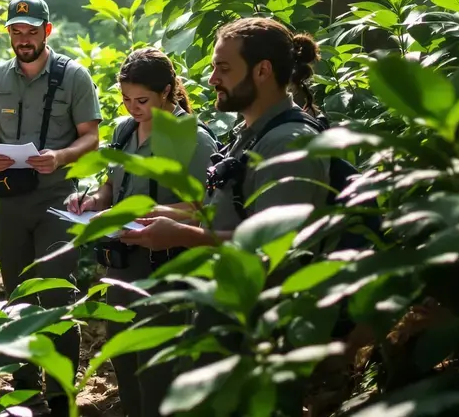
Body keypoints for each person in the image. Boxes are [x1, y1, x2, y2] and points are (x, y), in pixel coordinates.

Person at [64, 48, 218, 417]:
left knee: (157, 368)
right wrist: (93, 201)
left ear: (166, 91)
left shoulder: (193, 139)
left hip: (166, 268)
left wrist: (147, 213)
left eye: (142, 100)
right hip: (121, 266)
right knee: (125, 359)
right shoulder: (125, 129)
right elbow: (112, 185)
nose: (133, 108)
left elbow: (204, 209)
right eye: (126, 99)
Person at [0, 0, 102, 415]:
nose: (23, 39)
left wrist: (61, 156)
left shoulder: (74, 76)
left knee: (58, 293)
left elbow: (91, 137)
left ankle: (62, 393)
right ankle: (25, 389)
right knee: (18, 294)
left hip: (57, 199)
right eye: (16, 31)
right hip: (9, 200)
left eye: (31, 31)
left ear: (47, 31)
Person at [118, 16, 329, 250]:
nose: (212, 79)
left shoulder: (288, 144)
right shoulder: (252, 135)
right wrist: (151, 213)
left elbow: (277, 245)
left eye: (224, 69)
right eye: (213, 68)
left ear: (262, 71)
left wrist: (185, 236)